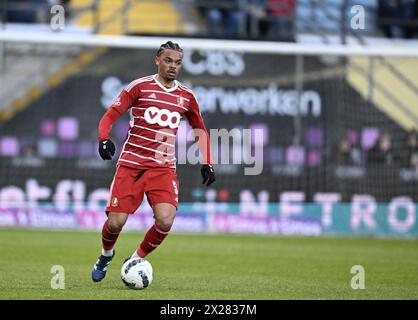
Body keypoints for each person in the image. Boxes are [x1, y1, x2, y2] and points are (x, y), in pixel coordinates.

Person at [91, 41, 216, 282]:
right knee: (116, 223)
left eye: (178, 63)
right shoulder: (139, 87)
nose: (173, 66)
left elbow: (199, 127)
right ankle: (106, 254)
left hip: (163, 167)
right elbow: (111, 115)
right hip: (132, 165)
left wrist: (207, 162)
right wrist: (103, 138)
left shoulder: (186, 96)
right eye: (168, 61)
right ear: (157, 60)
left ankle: (135, 258)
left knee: (165, 220)